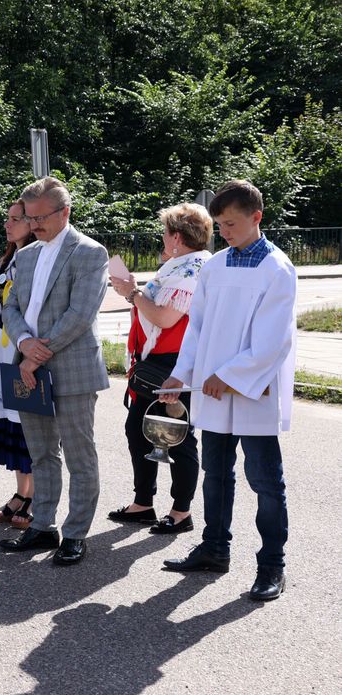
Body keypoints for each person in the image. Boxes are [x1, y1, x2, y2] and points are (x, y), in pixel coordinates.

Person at [160, 180, 296, 602]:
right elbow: (196, 328)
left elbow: (274, 340)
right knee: (215, 474)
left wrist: (231, 374)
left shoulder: (277, 268)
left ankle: (272, 565)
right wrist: (180, 375)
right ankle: (215, 548)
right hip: (212, 390)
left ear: (257, 217)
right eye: (219, 224)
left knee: (264, 481)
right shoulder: (215, 267)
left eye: (232, 223)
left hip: (254, 391)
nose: (224, 232)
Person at [0, 177, 109, 566]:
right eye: (29, 217)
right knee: (41, 453)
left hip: (72, 368)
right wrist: (24, 344)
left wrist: (34, 354)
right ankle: (42, 525)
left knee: (80, 455)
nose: (34, 224)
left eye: (40, 217)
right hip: (29, 367)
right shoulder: (26, 256)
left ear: (65, 212)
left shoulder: (91, 253)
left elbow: (80, 315)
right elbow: (9, 309)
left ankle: (76, 533)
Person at [108, 203, 211, 535]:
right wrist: (134, 295)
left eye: (165, 233)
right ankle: (144, 503)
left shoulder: (190, 270)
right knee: (138, 430)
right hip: (156, 362)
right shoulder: (179, 265)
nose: (162, 239)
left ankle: (181, 512)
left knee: (176, 437)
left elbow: (166, 317)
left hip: (174, 364)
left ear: (177, 237)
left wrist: (133, 293)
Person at [0, 201, 37, 526]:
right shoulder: (7, 260)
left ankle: (37, 495)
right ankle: (21, 491)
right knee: (13, 426)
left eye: (16, 219)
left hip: (26, 350)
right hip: (3, 349)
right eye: (8, 219)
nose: (8, 225)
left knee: (30, 425)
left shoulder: (38, 258)